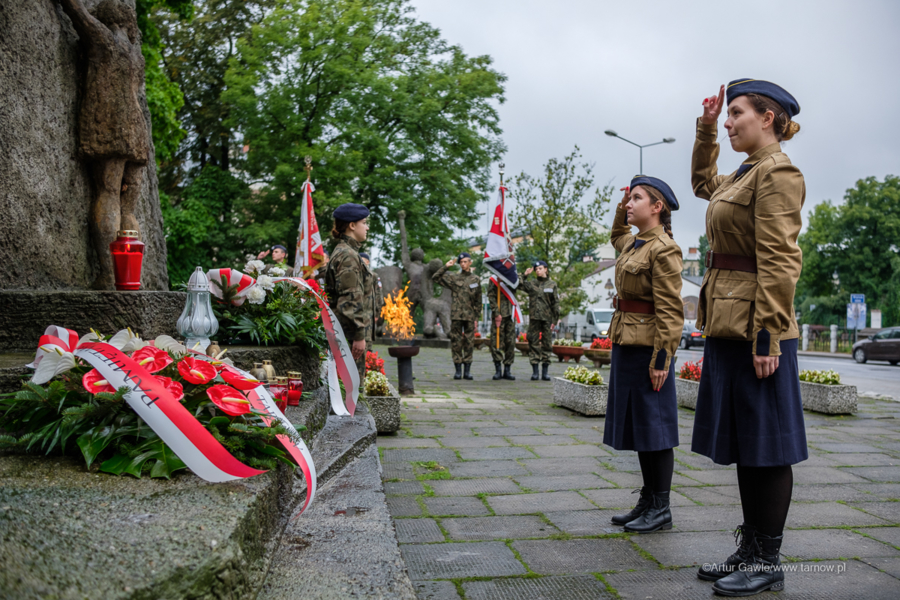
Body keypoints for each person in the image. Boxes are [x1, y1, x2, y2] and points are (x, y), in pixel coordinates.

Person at [691, 80, 806, 597]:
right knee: (746, 444)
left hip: (756, 328)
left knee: (768, 445)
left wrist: (767, 335)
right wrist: (705, 130)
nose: (730, 121)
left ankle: (767, 560)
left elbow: (780, 261)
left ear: (768, 117)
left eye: (736, 113)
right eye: (727, 115)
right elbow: (702, 184)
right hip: (727, 322)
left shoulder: (777, 172)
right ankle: (751, 547)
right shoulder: (743, 172)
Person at [603, 176, 683, 535]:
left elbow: (671, 311)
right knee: (641, 427)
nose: (630, 204)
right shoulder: (634, 244)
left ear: (657, 207)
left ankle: (661, 507)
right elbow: (616, 234)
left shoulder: (664, 249)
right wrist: (621, 206)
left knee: (656, 428)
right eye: (629, 198)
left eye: (637, 198)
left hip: (649, 350)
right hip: (627, 342)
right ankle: (649, 500)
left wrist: (662, 359)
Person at [323, 204, 373, 382]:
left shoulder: (347, 252)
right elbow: (350, 299)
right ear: (352, 225)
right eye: (364, 223)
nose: (367, 227)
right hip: (349, 335)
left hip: (347, 333)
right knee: (351, 387)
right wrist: (359, 335)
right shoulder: (348, 256)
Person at [433, 252, 483, 380]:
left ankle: (467, 371)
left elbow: (478, 300)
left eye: (465, 262)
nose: (463, 264)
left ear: (470, 263)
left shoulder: (476, 279)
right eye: (461, 262)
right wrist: (446, 266)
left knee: (469, 343)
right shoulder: (454, 278)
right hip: (456, 315)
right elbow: (435, 277)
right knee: (456, 342)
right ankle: (458, 370)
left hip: (470, 316)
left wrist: (476, 318)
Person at [520, 261, 560, 381]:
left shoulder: (552, 284)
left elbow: (555, 303)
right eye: (536, 269)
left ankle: (545, 372)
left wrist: (555, 320)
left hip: (547, 319)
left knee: (547, 344)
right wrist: (525, 275)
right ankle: (535, 371)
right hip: (534, 318)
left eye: (540, 268)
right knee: (533, 343)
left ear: (546, 269)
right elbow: (517, 284)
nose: (538, 271)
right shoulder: (532, 284)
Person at [488, 278, 517, 380]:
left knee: (510, 342)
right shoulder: (494, 279)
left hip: (510, 315)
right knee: (496, 342)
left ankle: (507, 369)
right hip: (498, 316)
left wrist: (525, 275)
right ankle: (498, 370)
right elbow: (491, 296)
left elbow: (519, 284)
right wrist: (496, 313)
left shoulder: (512, 276)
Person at [360, 252, 384, 354]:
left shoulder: (373, 275)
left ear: (368, 262)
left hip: (368, 313)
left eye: (362, 260)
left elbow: (378, 295)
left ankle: (368, 360)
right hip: (357, 312)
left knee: (367, 340)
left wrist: (377, 313)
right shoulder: (354, 275)